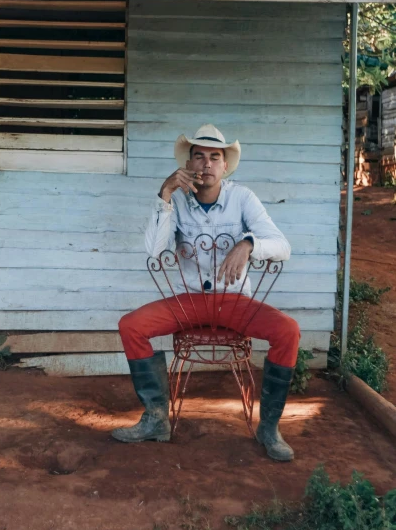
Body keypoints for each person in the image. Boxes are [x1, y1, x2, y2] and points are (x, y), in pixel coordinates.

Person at [112, 124, 300, 462]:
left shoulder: (242, 198)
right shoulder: (179, 202)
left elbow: (282, 246)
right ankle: (155, 419)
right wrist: (165, 196)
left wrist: (248, 243)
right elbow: (154, 251)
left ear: (225, 166)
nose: (206, 165)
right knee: (131, 325)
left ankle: (269, 428)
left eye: (215, 157)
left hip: (235, 303)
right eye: (199, 157)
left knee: (288, 330)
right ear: (189, 164)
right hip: (189, 304)